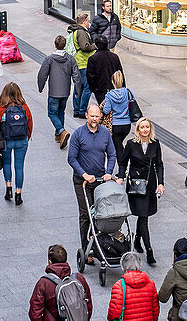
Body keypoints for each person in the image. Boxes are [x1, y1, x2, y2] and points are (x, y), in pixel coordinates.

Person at [68, 102, 116, 257]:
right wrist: (84, 174)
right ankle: (86, 250)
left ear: (100, 117)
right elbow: (72, 159)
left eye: (97, 116)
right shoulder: (78, 134)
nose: (94, 119)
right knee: (86, 214)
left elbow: (112, 154)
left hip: (100, 181)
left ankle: (98, 244)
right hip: (82, 181)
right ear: (87, 116)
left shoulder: (105, 133)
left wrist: (109, 172)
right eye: (92, 116)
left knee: (100, 214)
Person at [117, 117, 165, 267]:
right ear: (137, 130)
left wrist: (161, 183)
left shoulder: (155, 144)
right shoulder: (131, 144)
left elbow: (159, 164)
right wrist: (121, 177)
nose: (145, 130)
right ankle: (149, 250)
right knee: (143, 215)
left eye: (147, 127)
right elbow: (123, 162)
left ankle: (138, 239)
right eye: (142, 127)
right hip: (136, 184)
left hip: (149, 184)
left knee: (143, 215)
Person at [0, 82, 32, 204]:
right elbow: (29, 124)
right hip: (21, 141)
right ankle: (18, 194)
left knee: (7, 163)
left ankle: (8, 188)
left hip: (6, 141)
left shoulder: (1, 108)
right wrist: (26, 138)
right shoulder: (24, 107)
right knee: (19, 166)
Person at [27, 244, 93, 321]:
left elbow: (35, 313)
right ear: (66, 260)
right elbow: (88, 305)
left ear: (50, 262)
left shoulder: (44, 283)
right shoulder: (78, 278)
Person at [37, 34, 78, 147]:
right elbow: (76, 76)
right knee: (61, 112)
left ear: (55, 45)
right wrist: (77, 90)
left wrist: (41, 86)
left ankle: (61, 130)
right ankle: (59, 135)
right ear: (64, 45)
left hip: (54, 91)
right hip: (65, 91)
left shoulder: (49, 59)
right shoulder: (70, 59)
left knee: (52, 113)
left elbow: (42, 74)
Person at [106, 253, 159, 321]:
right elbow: (155, 309)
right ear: (139, 265)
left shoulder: (119, 286)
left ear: (123, 266)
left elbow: (114, 313)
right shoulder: (151, 284)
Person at [68, 14, 95, 118]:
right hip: (83, 62)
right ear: (85, 21)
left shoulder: (76, 30)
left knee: (78, 86)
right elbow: (84, 46)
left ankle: (76, 109)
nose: (89, 23)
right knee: (87, 87)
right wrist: (94, 46)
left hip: (78, 62)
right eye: (88, 21)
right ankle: (82, 109)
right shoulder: (82, 32)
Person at [102, 70, 134, 156]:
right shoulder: (127, 92)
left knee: (118, 148)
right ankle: (124, 163)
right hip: (127, 124)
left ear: (112, 81)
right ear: (122, 81)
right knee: (119, 145)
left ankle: (122, 166)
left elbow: (106, 110)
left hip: (115, 125)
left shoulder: (109, 95)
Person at [86, 35, 122, 106]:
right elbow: (120, 73)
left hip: (99, 88)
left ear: (96, 45)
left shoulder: (93, 58)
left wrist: (93, 88)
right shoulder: (114, 57)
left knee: (103, 108)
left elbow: (90, 76)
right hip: (113, 87)